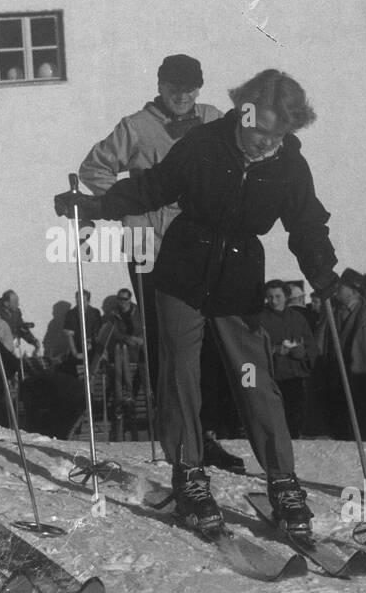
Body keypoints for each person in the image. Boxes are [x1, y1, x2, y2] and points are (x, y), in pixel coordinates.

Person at [56, 69, 339, 536]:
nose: (264, 142)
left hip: (239, 275)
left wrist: (324, 272)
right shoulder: (205, 143)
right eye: (258, 130)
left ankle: (283, 482)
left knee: (255, 379)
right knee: (180, 372)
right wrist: (93, 206)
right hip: (184, 267)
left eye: (277, 134)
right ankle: (189, 473)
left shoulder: (288, 165)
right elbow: (151, 187)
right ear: (241, 112)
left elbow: (306, 225)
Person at [77, 53, 242, 469]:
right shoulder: (136, 127)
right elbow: (94, 169)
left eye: (190, 88)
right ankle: (177, 437)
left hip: (203, 241)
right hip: (149, 244)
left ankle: (204, 434)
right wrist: (130, 207)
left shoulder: (213, 118)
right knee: (164, 338)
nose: (182, 96)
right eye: (174, 87)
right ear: (161, 85)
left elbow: (239, 158)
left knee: (206, 339)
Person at [315, 270, 366, 440]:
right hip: (336, 380)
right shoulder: (331, 312)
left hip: (363, 379)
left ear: (354, 290)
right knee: (340, 429)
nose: (336, 290)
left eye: (340, 287)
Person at [249, 279, 315, 438]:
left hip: (294, 374)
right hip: (271, 375)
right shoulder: (259, 319)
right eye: (270, 297)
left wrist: (302, 352)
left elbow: (310, 344)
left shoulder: (297, 318)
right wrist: (274, 349)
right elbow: (252, 346)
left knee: (294, 414)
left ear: (286, 296)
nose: (273, 300)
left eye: (278, 296)